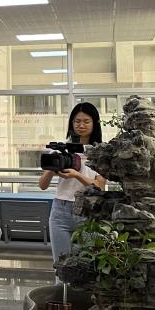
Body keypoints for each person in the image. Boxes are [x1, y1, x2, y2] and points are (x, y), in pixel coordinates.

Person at [39, 102, 107, 264]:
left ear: (94, 123)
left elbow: (100, 186)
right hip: (60, 210)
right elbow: (42, 185)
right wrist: (52, 168)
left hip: (88, 210)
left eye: (86, 121)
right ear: (71, 123)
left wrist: (77, 175)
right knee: (61, 264)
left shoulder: (100, 152)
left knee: (87, 265)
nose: (81, 125)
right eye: (77, 121)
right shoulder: (61, 150)